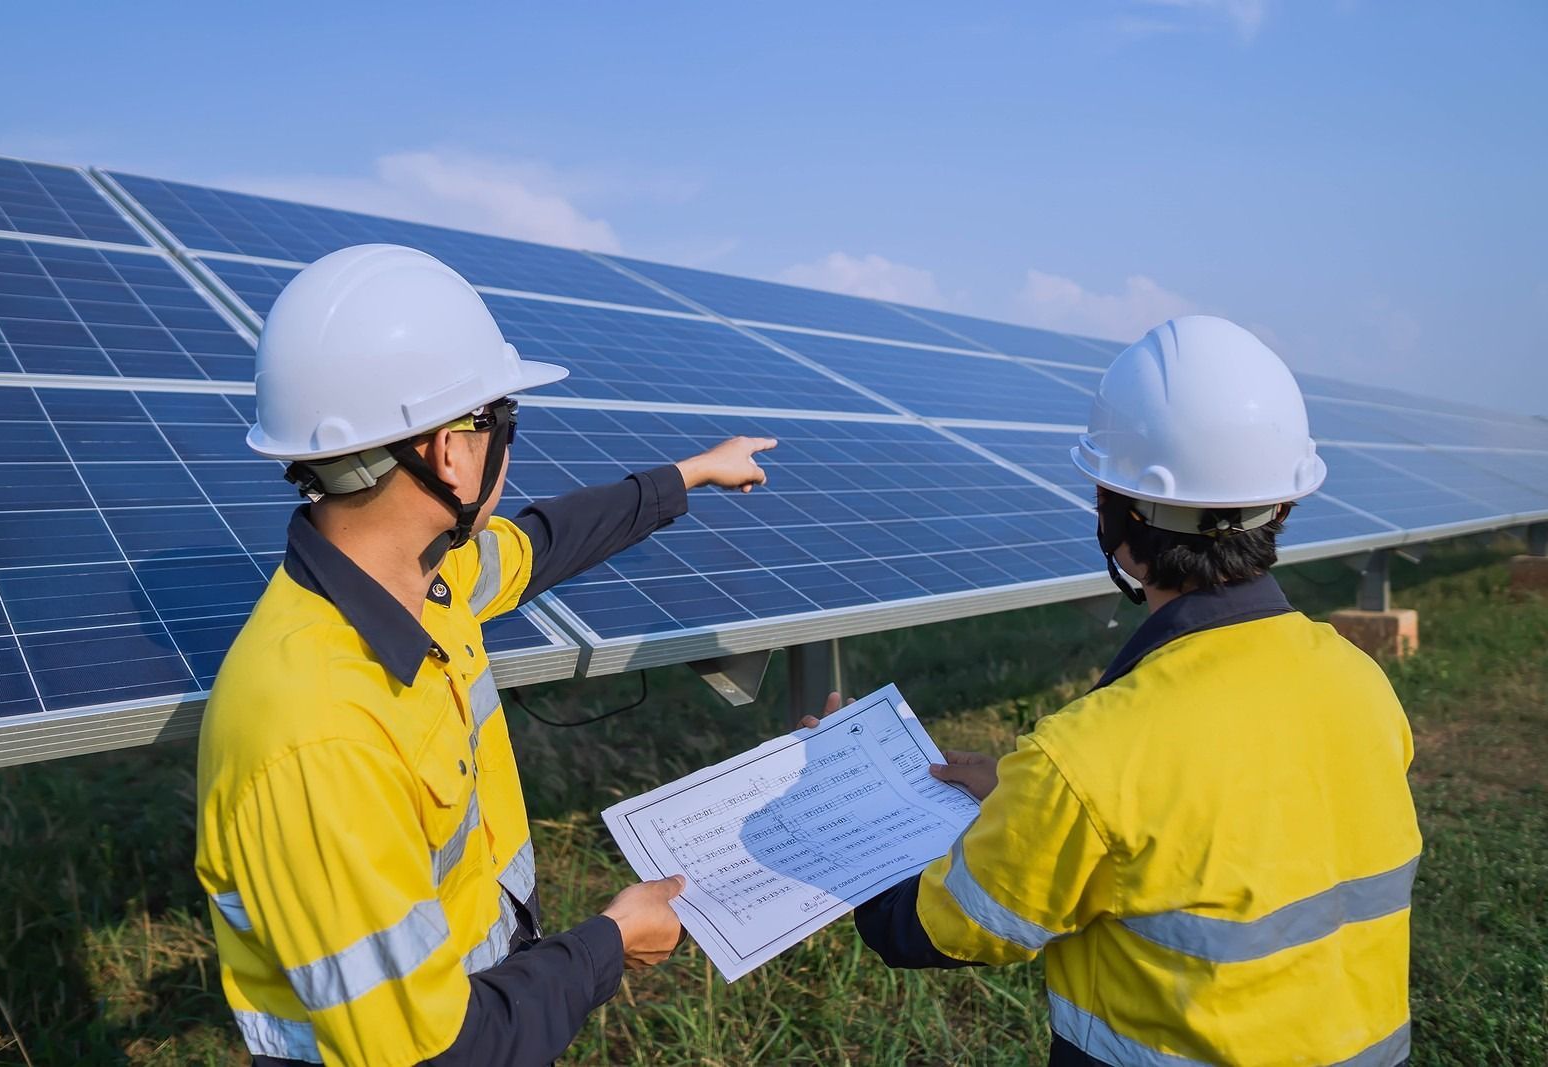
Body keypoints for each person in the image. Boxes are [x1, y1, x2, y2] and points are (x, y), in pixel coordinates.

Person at [195, 244, 777, 1066]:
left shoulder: (426, 582)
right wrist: (608, 945)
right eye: (503, 417)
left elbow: (543, 542)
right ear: (450, 451)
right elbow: (437, 1054)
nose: (511, 440)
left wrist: (689, 476)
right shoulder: (315, 736)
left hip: (487, 982)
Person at [816, 317, 1422, 1065]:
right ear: (1283, 507)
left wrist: (848, 808)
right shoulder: (1361, 682)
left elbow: (937, 927)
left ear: (1113, 515)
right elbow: (1227, 817)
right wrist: (1019, 794)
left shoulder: (1088, 758)